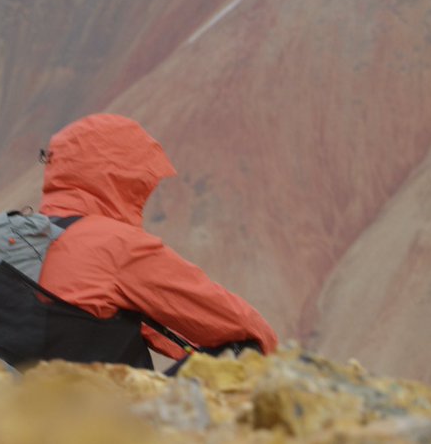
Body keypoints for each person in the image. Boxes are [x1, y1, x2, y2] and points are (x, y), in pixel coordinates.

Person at [35, 113, 277, 361]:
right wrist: (284, 364)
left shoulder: (28, 237)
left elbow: (154, 327)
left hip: (20, 394)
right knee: (248, 349)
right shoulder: (114, 246)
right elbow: (226, 318)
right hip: (99, 397)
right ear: (120, 176)